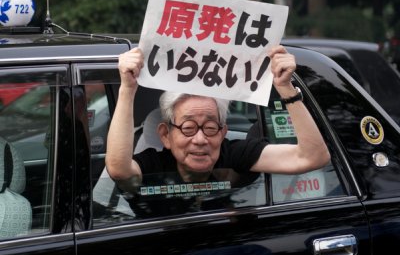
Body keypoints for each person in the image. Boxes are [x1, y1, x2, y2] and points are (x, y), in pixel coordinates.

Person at [105, 46, 331, 215]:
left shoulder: (234, 155)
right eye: (188, 128)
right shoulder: (153, 165)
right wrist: (127, 88)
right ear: (165, 135)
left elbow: (313, 157)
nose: (201, 139)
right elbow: (119, 169)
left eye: (211, 127)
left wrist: (285, 88)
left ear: (223, 132)